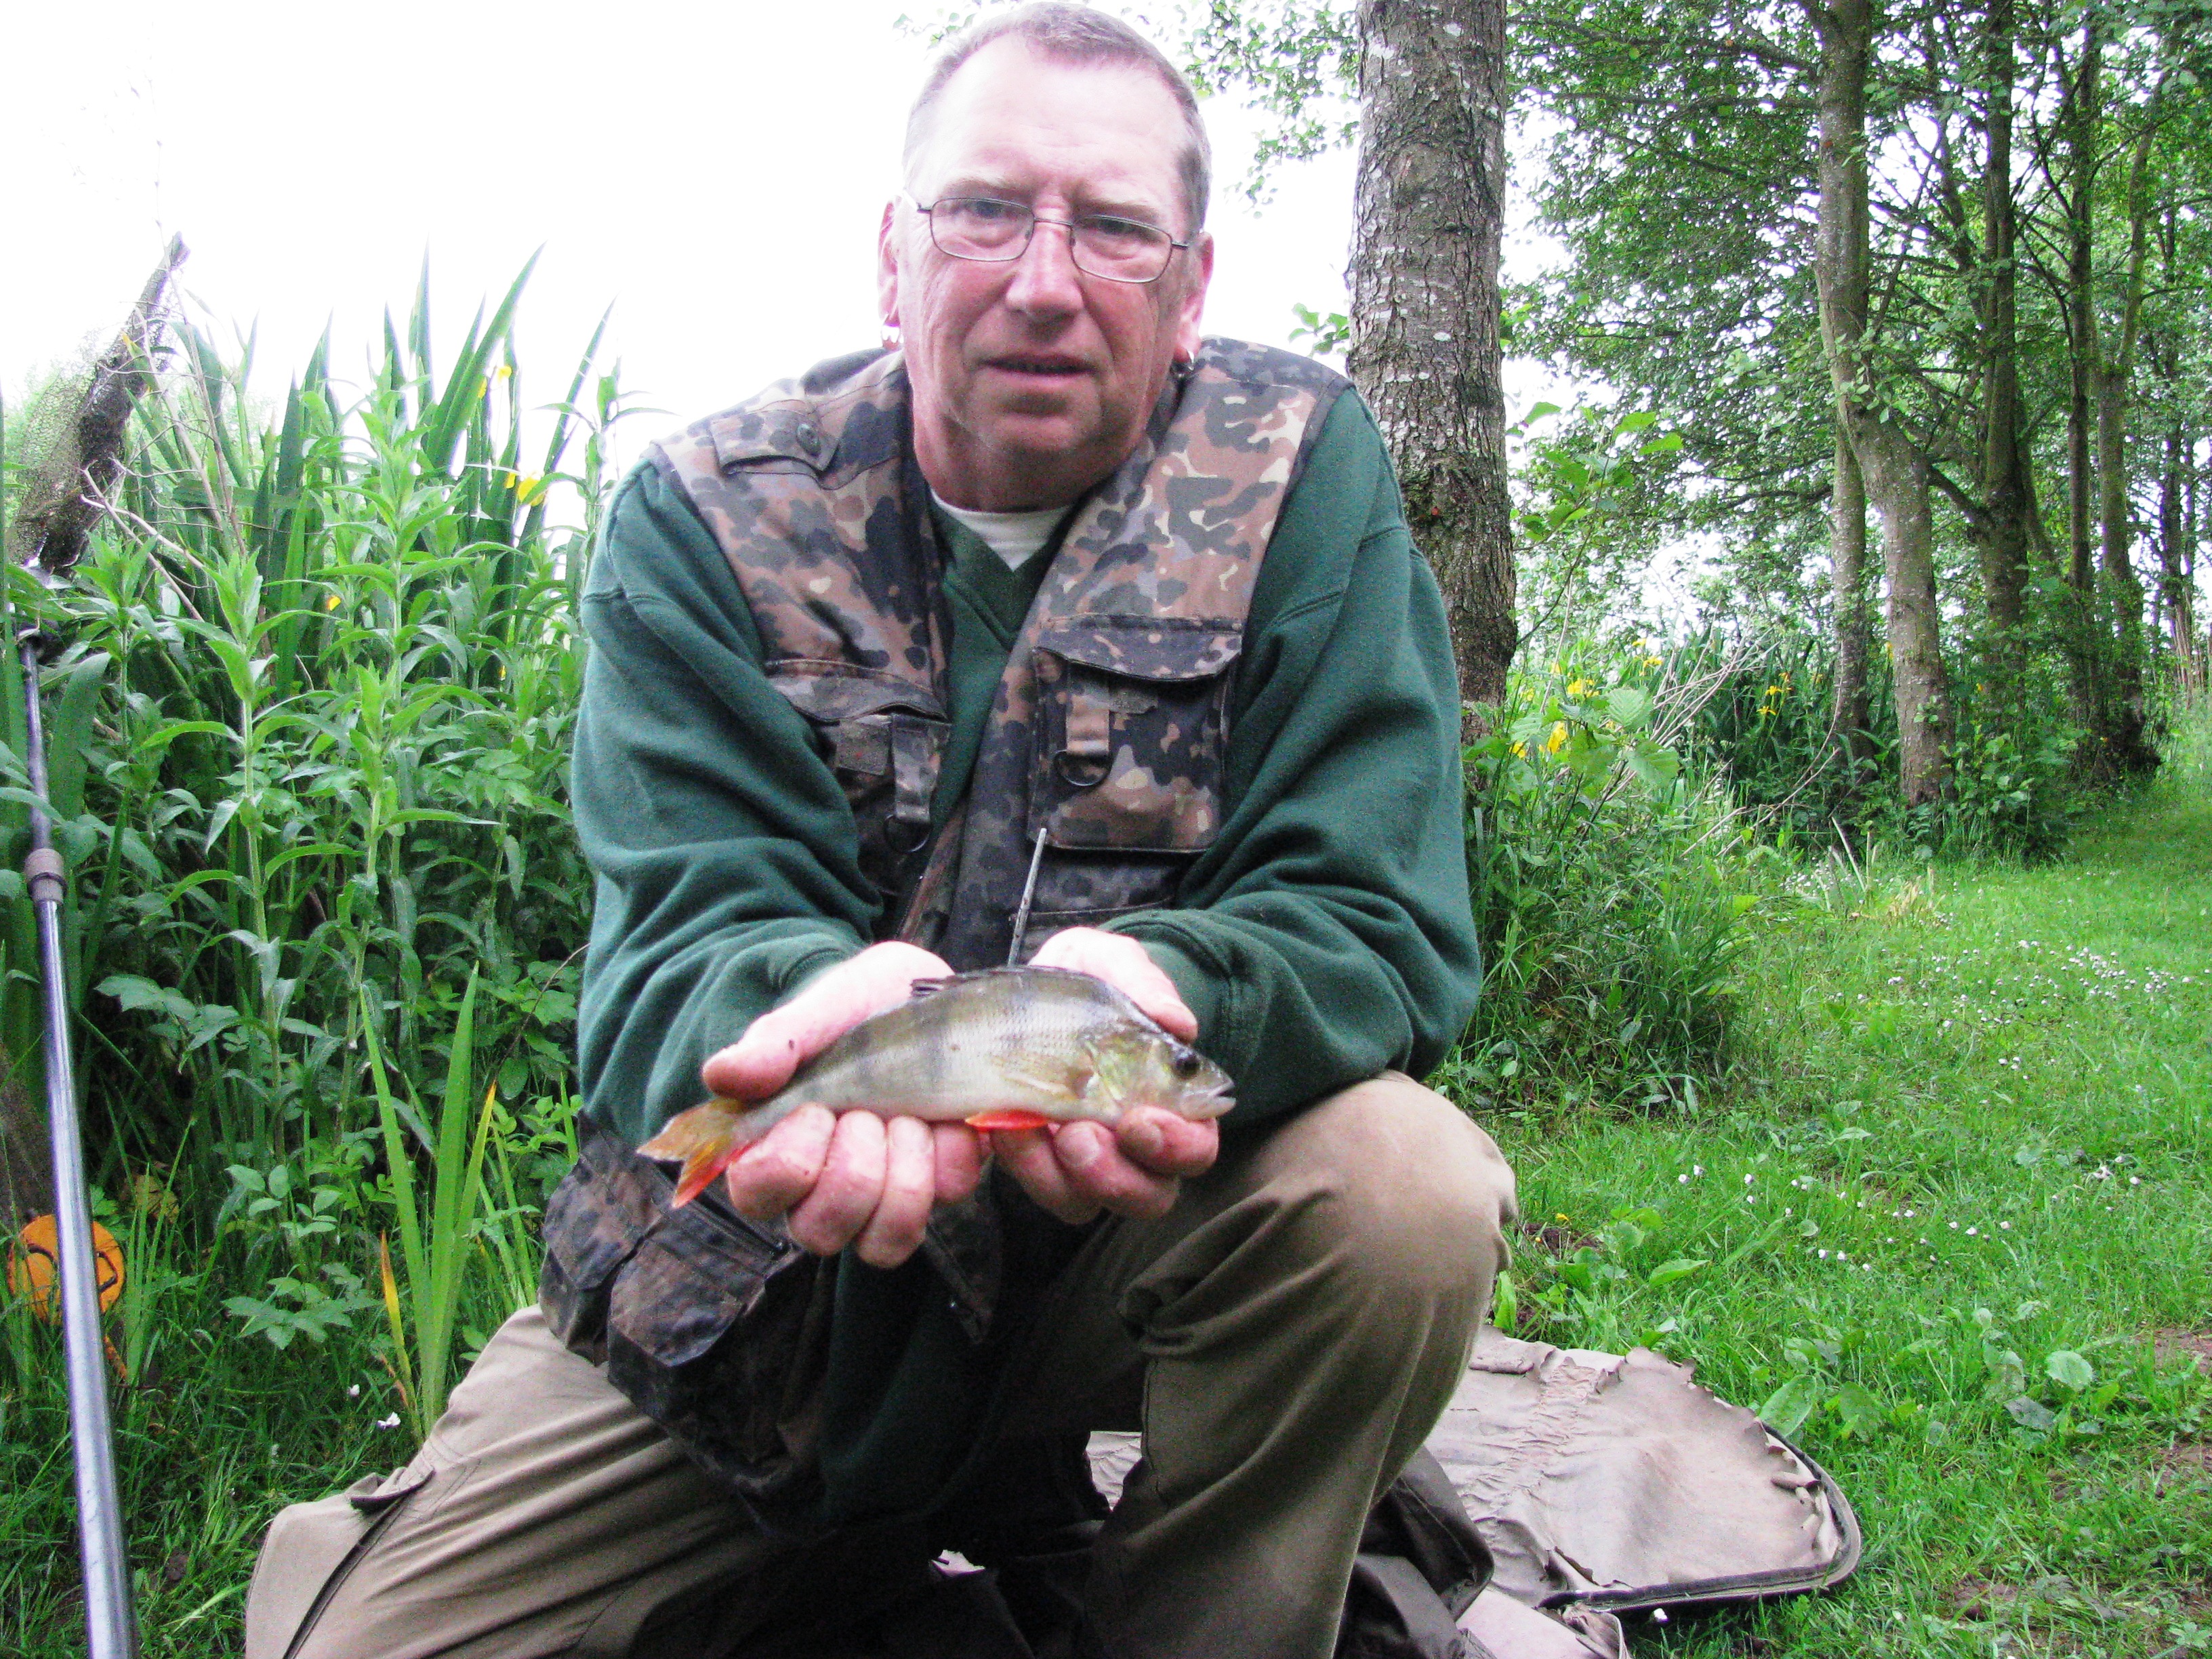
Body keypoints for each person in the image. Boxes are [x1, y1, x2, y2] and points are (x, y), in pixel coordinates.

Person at [243, 7, 1517, 1657]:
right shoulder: (703, 513)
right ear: (892, 258)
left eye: (1117, 226)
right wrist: (780, 1034)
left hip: (1133, 1232)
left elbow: (1376, 912)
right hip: (783, 1262)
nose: (1045, 280)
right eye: (984, 211)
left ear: (1192, 285)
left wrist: (1180, 985)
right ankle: (848, 1545)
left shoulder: (1298, 470)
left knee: (1404, 1189)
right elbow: (671, 954)